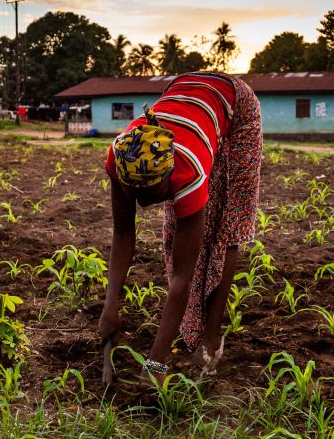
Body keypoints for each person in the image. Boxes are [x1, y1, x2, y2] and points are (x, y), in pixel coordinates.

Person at [99, 71, 262, 384]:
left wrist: (157, 363)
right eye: (135, 196)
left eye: (151, 195)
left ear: (169, 176)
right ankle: (187, 328)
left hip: (235, 105)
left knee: (226, 228)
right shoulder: (120, 159)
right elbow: (122, 234)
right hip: (184, 91)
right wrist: (110, 306)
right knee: (176, 234)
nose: (144, 205)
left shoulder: (188, 172)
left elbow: (180, 277)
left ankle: (210, 340)